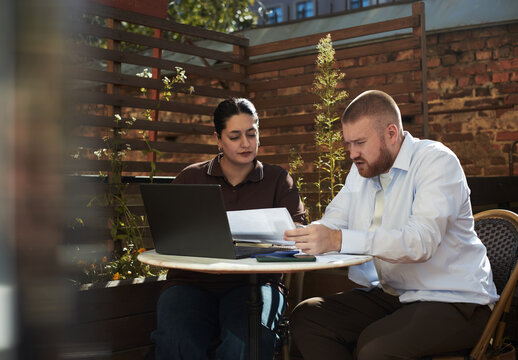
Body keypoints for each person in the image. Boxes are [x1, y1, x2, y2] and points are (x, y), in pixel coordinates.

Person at [284, 90, 498, 360]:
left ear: (392, 133)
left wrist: (338, 240)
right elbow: (333, 222)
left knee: (375, 349)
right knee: (308, 317)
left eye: (360, 142)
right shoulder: (362, 170)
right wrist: (299, 236)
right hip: (394, 294)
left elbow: (420, 242)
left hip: (455, 300)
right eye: (348, 144)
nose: (352, 153)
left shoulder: (437, 162)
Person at [151, 98, 305, 360]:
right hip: (191, 284)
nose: (246, 143)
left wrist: (293, 233)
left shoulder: (278, 179)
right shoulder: (190, 178)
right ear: (218, 139)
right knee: (177, 334)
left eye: (251, 134)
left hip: (257, 284)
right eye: (235, 136)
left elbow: (298, 234)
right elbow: (170, 235)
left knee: (244, 340)